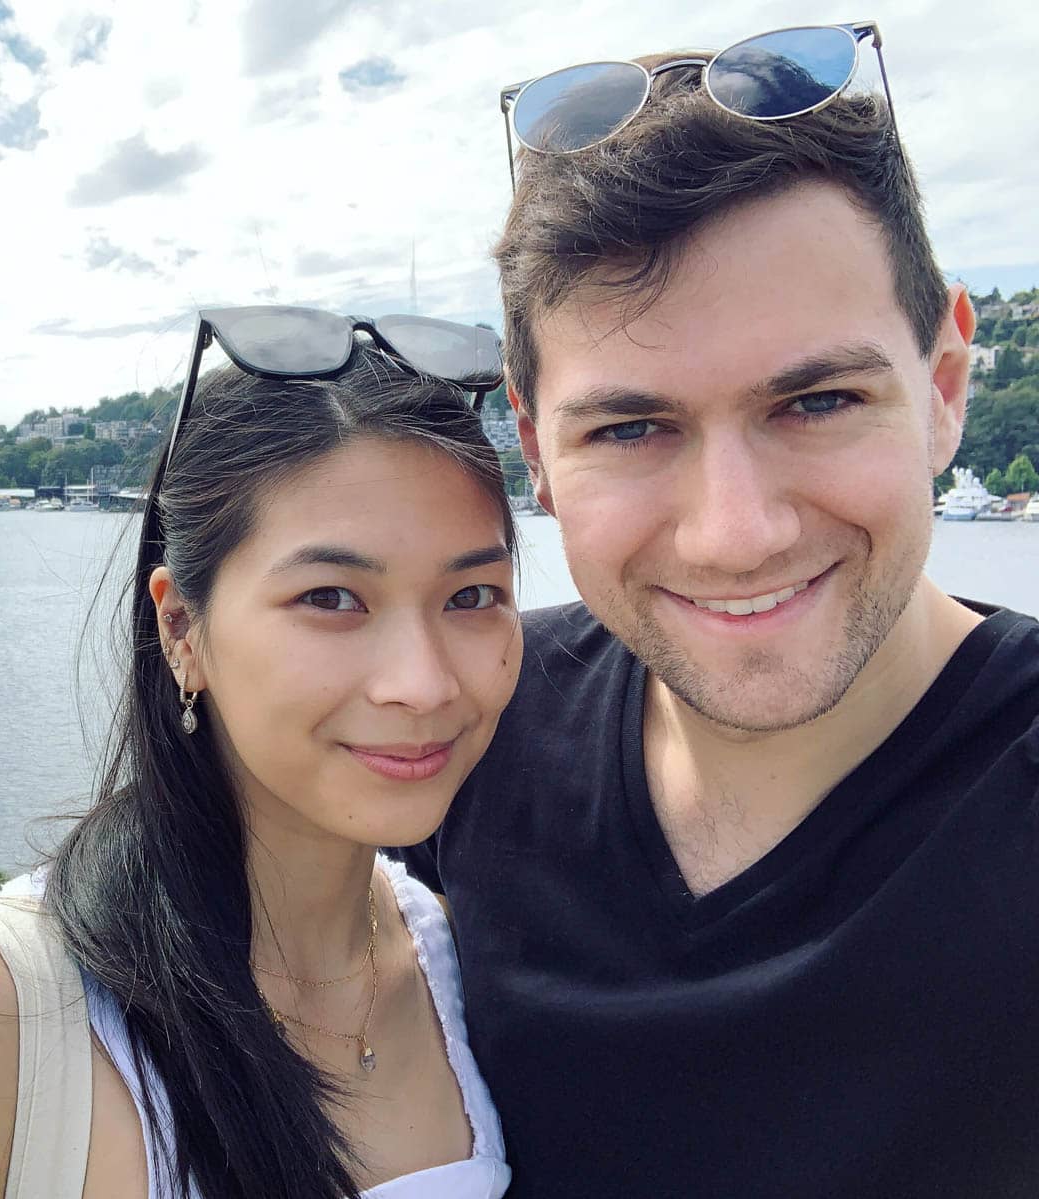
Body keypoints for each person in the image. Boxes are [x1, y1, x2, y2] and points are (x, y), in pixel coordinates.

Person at [397, 23, 1039, 1199]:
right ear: (536, 451)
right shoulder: (472, 720)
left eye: (818, 400)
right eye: (631, 428)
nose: (732, 532)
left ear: (943, 390)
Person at [0, 312, 523, 1198]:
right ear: (181, 628)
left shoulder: (458, 960)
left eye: (473, 594)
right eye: (332, 597)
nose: (424, 683)